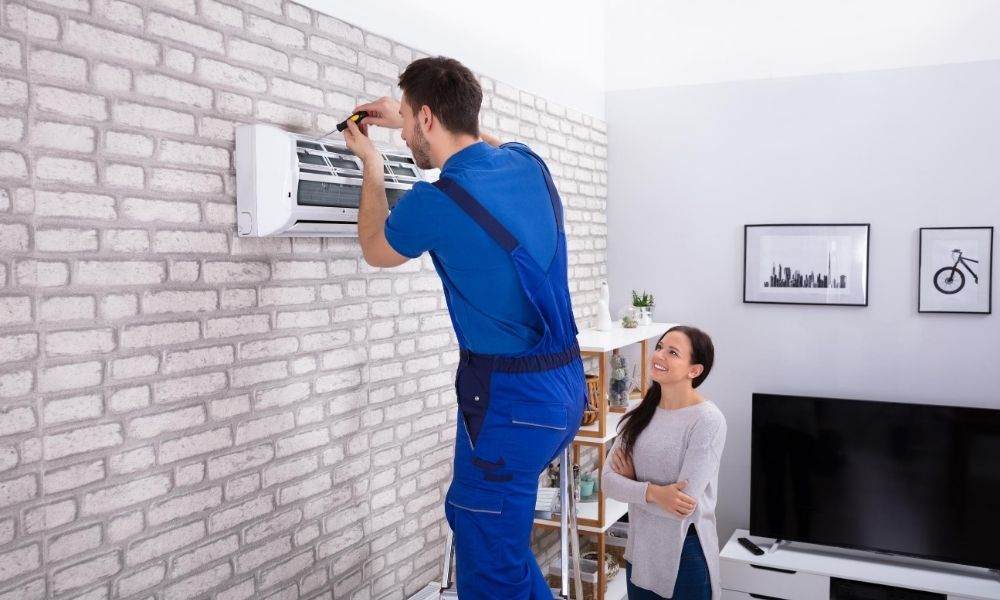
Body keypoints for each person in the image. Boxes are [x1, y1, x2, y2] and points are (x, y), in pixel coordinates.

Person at [341, 56, 586, 600]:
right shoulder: (530, 166)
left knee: (487, 563)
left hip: (510, 402)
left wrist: (372, 164)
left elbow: (375, 249)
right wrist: (409, 112)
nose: (402, 130)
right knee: (491, 536)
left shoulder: (434, 202)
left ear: (427, 118)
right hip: (565, 388)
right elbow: (485, 145)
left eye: (406, 118)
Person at [602, 326, 726, 600]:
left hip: (685, 554)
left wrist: (633, 485)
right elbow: (608, 483)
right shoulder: (638, 413)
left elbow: (681, 507)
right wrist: (656, 493)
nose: (659, 355)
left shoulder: (707, 420)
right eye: (659, 347)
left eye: (673, 352)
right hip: (640, 553)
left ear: (694, 370)